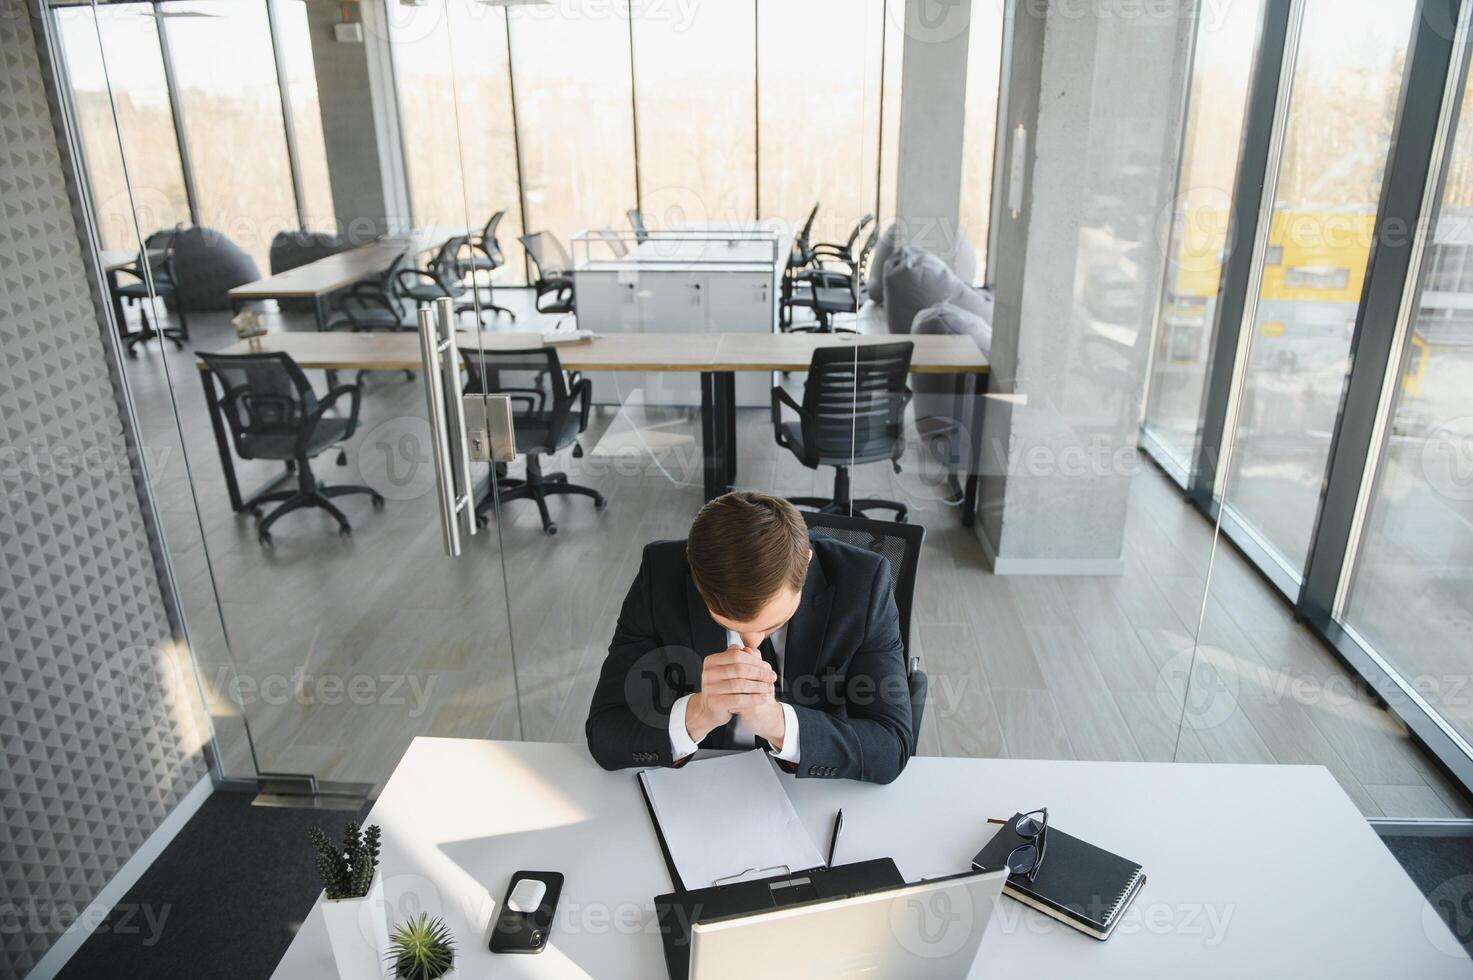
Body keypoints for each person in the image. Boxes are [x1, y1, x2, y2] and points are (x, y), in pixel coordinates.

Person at [586, 491, 913, 784]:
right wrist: (697, 715)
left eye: (773, 623)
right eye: (730, 623)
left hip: (813, 785)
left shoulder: (864, 582)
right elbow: (605, 734)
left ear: (807, 566)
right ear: (697, 580)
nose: (751, 643)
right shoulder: (661, 573)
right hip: (696, 783)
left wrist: (779, 724)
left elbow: (891, 747)